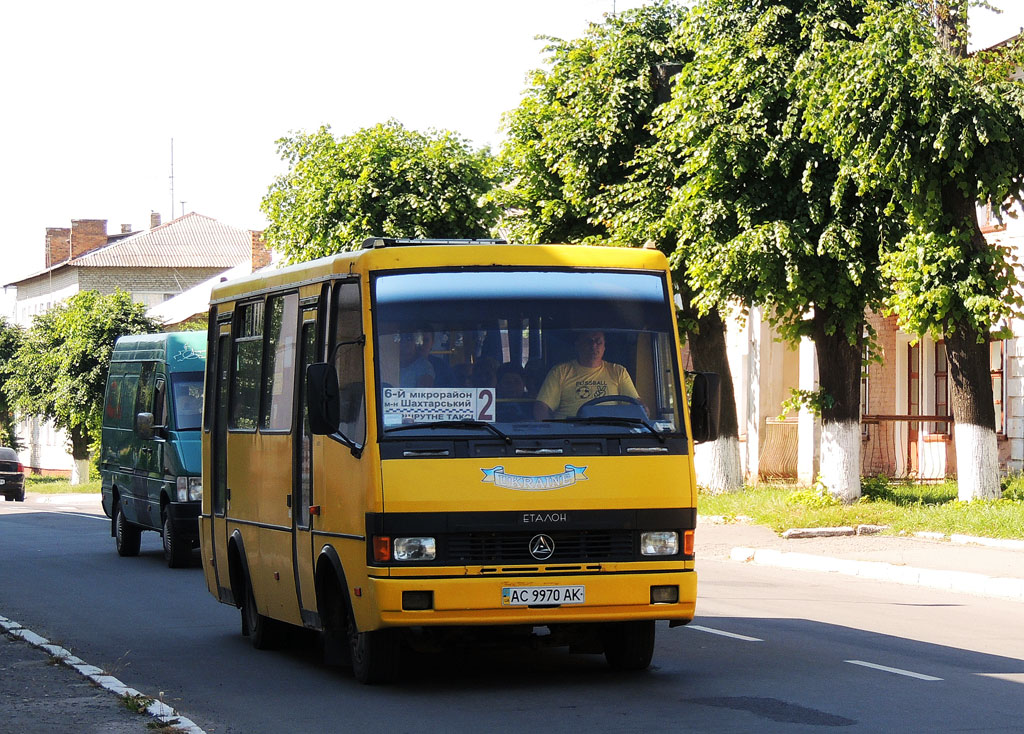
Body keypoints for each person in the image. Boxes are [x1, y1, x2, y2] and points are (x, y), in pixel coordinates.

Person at [534, 330, 639, 419]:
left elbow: (637, 406)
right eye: (589, 341)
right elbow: (541, 408)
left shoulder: (619, 372)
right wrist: (552, 436)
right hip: (569, 437)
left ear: (604, 347)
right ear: (578, 345)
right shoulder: (560, 372)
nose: (593, 346)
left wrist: (643, 408)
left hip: (611, 437)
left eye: (598, 342)